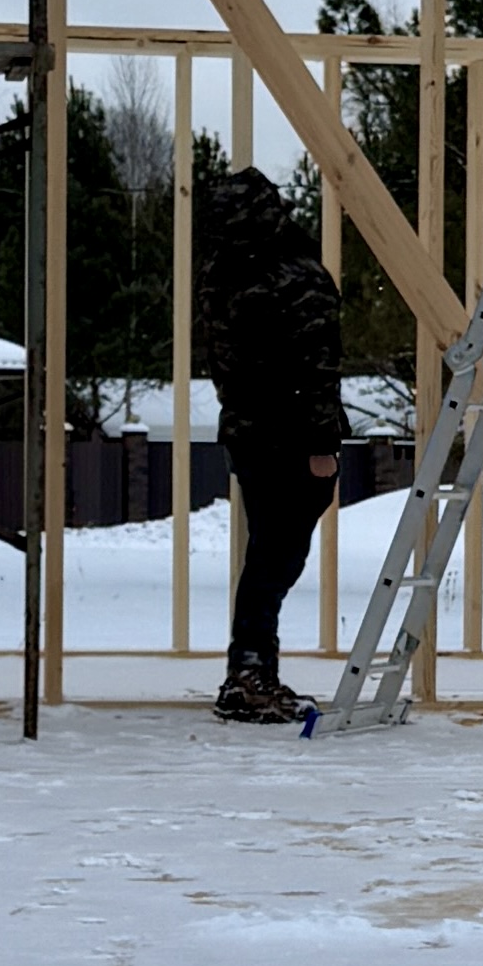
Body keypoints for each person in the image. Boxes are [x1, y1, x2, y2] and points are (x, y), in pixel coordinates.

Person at [198, 165, 341, 726]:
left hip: (248, 434)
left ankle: (254, 671)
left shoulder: (220, 273)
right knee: (275, 558)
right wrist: (322, 443)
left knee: (268, 553)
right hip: (290, 438)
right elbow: (317, 366)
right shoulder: (294, 276)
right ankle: (249, 673)